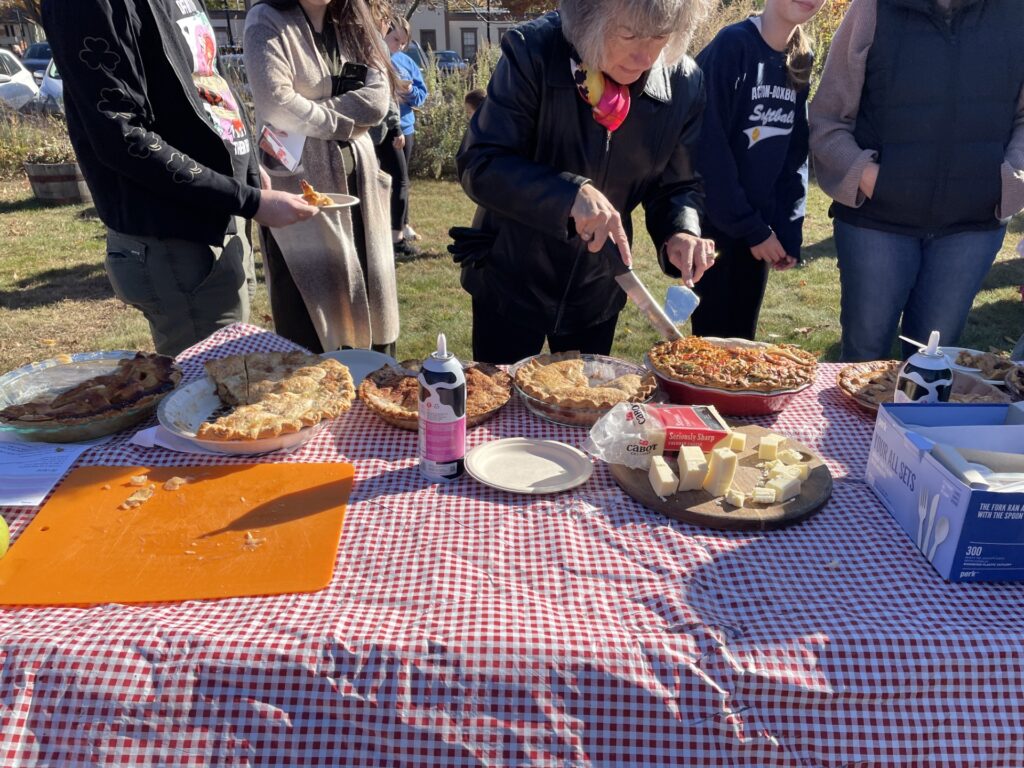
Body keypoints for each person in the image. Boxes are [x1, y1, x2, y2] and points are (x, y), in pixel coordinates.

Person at [41, 0, 317, 357]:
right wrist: (248, 200)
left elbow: (205, 84)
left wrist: (245, 165)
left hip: (223, 218)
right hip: (177, 239)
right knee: (208, 384)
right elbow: (121, 137)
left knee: (234, 369)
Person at [451, 1, 716, 365]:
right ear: (587, 18)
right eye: (629, 34)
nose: (645, 57)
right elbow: (480, 162)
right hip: (511, 279)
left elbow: (678, 185)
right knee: (500, 396)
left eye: (660, 36)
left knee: (583, 396)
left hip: (598, 286)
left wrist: (681, 229)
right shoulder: (533, 50)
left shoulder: (684, 81)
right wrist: (568, 195)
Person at [810, 0, 1024, 362]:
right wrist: (868, 176)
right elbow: (827, 119)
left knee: (930, 366)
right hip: (876, 224)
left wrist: (1009, 180)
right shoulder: (872, 9)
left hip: (970, 229)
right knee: (862, 360)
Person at [245, 0, 400, 356]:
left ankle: (373, 388)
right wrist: (347, 123)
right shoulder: (265, 20)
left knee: (373, 318)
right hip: (299, 200)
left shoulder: (356, 22)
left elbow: (378, 102)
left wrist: (311, 111)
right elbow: (276, 105)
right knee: (312, 329)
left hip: (362, 197)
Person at [689, 0, 825, 341]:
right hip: (715, 228)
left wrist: (787, 230)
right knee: (710, 350)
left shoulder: (801, 58)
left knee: (742, 346)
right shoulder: (733, 45)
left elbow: (794, 153)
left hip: (757, 236)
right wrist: (752, 229)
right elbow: (708, 151)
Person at [379, 17, 427, 254]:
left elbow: (422, 95)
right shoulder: (376, 57)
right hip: (381, 128)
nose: (399, 45)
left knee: (402, 178)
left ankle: (403, 224)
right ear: (384, 33)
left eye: (403, 42)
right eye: (395, 39)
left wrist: (408, 92)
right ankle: (393, 234)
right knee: (394, 180)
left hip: (405, 127)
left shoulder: (407, 62)